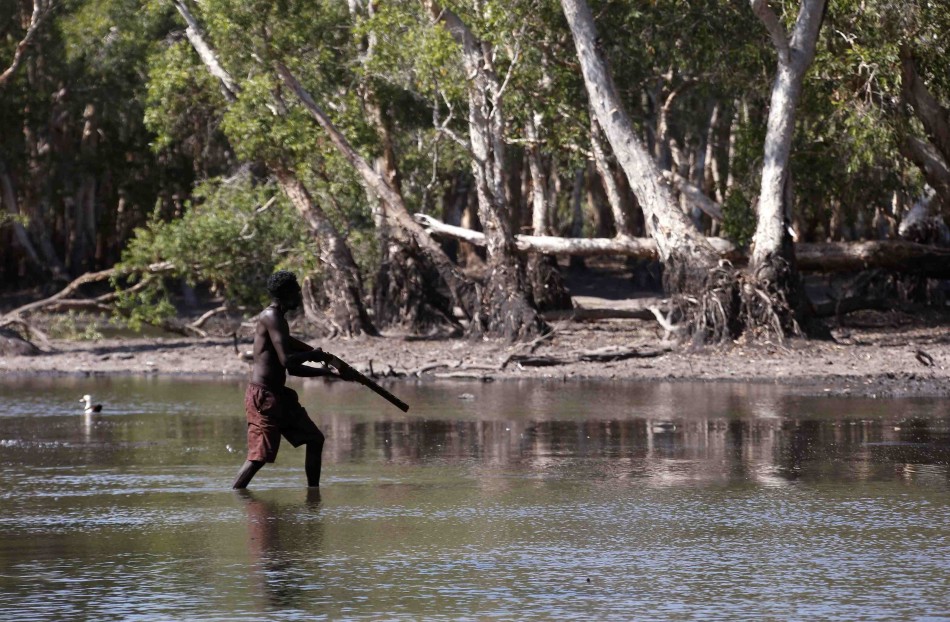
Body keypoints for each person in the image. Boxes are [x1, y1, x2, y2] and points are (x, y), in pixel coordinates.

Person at [232, 270, 354, 489]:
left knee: (315, 439)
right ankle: (236, 494)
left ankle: (313, 497)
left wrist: (328, 373)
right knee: (258, 458)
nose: (299, 296)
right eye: (296, 292)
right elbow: (288, 361)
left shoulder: (279, 320)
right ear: (285, 293)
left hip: (279, 396)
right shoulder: (271, 316)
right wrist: (313, 355)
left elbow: (295, 370)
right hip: (263, 397)